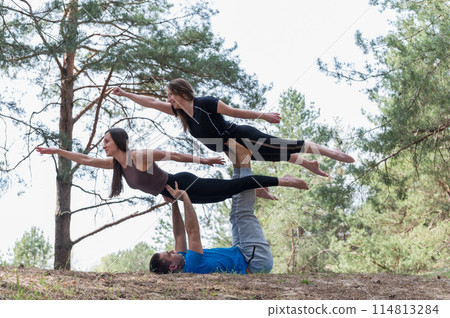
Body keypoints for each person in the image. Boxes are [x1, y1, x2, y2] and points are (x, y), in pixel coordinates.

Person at [112, 79, 355, 177]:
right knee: (273, 155)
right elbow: (152, 103)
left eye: (170, 95)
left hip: (240, 137)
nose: (168, 99)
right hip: (230, 149)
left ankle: (328, 151)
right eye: (167, 96)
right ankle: (308, 164)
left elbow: (235, 113)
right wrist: (125, 93)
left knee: (281, 146)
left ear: (181, 92)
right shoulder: (179, 113)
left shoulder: (205, 103)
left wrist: (264, 115)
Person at [35, 127, 308, 204]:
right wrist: (56, 150)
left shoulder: (137, 156)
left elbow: (173, 155)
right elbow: (84, 159)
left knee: (232, 186)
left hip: (183, 183)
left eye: (106, 141)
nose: (103, 145)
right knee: (227, 193)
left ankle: (283, 179)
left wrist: (206, 159)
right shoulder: (116, 165)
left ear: (118, 141)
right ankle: (262, 188)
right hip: (173, 194)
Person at [149, 168, 273, 274]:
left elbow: (179, 235)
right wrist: (185, 197)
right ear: (172, 267)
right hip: (254, 261)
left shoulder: (183, 260)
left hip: (241, 251)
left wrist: (174, 203)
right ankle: (244, 162)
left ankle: (239, 162)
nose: (172, 251)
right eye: (169, 254)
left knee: (235, 213)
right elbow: (193, 231)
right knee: (242, 213)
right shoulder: (192, 266)